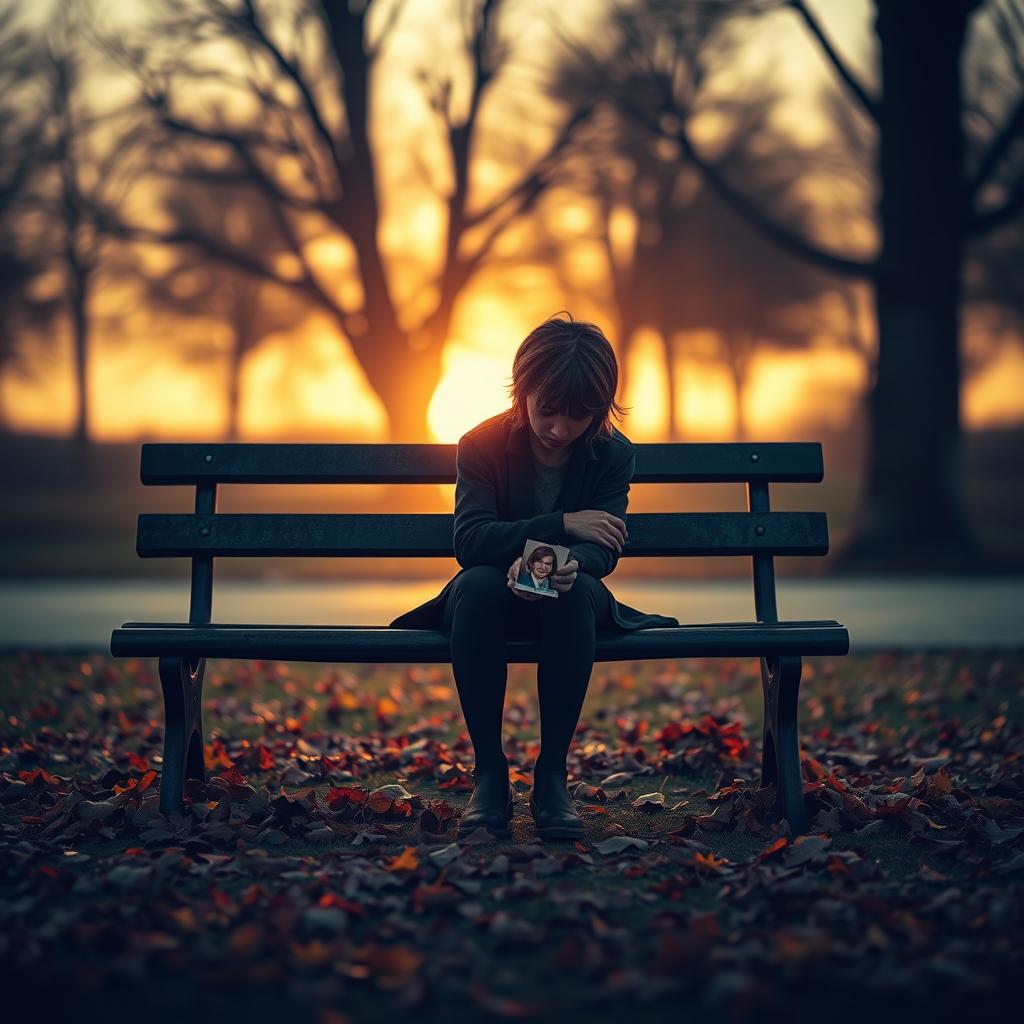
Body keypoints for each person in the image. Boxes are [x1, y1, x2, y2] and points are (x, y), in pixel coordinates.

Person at [389, 312, 680, 841]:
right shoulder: (481, 444)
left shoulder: (612, 454)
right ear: (522, 390)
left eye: (579, 417)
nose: (560, 429)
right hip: (488, 591)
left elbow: (605, 547)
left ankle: (551, 775)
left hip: (569, 590)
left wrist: (570, 562)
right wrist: (561, 525)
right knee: (477, 584)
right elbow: (472, 543)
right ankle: (490, 774)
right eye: (548, 410)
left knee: (572, 597)